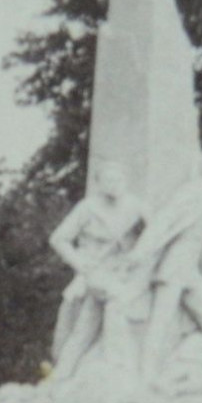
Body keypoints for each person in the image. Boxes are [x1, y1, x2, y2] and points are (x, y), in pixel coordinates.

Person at [126, 147, 202, 389]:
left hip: (192, 272)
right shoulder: (194, 191)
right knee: (161, 322)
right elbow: (164, 220)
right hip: (176, 267)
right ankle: (146, 377)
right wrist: (140, 252)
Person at [48, 158, 146, 382]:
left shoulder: (135, 205)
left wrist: (139, 253)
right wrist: (79, 263)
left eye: (119, 179)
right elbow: (59, 238)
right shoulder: (88, 207)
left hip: (119, 270)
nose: (114, 184)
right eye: (108, 180)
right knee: (116, 300)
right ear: (99, 183)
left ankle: (64, 371)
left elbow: (155, 229)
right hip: (94, 270)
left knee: (86, 325)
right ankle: (116, 364)